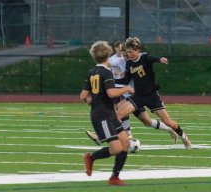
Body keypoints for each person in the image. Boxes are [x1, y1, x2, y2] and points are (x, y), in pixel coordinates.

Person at [86, 41, 178, 147]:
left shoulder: (134, 62)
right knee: (145, 121)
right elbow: (109, 66)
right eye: (125, 54)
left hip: (136, 96)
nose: (126, 57)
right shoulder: (121, 61)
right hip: (129, 95)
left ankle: (111, 136)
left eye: (127, 54)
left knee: (118, 113)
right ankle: (168, 129)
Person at [115, 37, 191, 150]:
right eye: (128, 52)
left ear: (137, 50)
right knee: (118, 115)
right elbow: (125, 81)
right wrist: (111, 81)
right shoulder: (129, 63)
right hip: (138, 97)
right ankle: (122, 141)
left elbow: (153, 59)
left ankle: (184, 137)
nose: (129, 54)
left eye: (131, 52)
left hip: (152, 96)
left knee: (168, 122)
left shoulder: (145, 57)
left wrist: (160, 59)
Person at [80, 40, 134, 185]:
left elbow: (83, 96)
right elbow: (111, 93)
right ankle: (90, 158)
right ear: (108, 54)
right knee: (116, 148)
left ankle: (114, 177)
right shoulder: (106, 72)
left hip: (109, 113)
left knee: (125, 143)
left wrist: (93, 101)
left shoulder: (92, 72)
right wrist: (126, 89)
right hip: (103, 116)